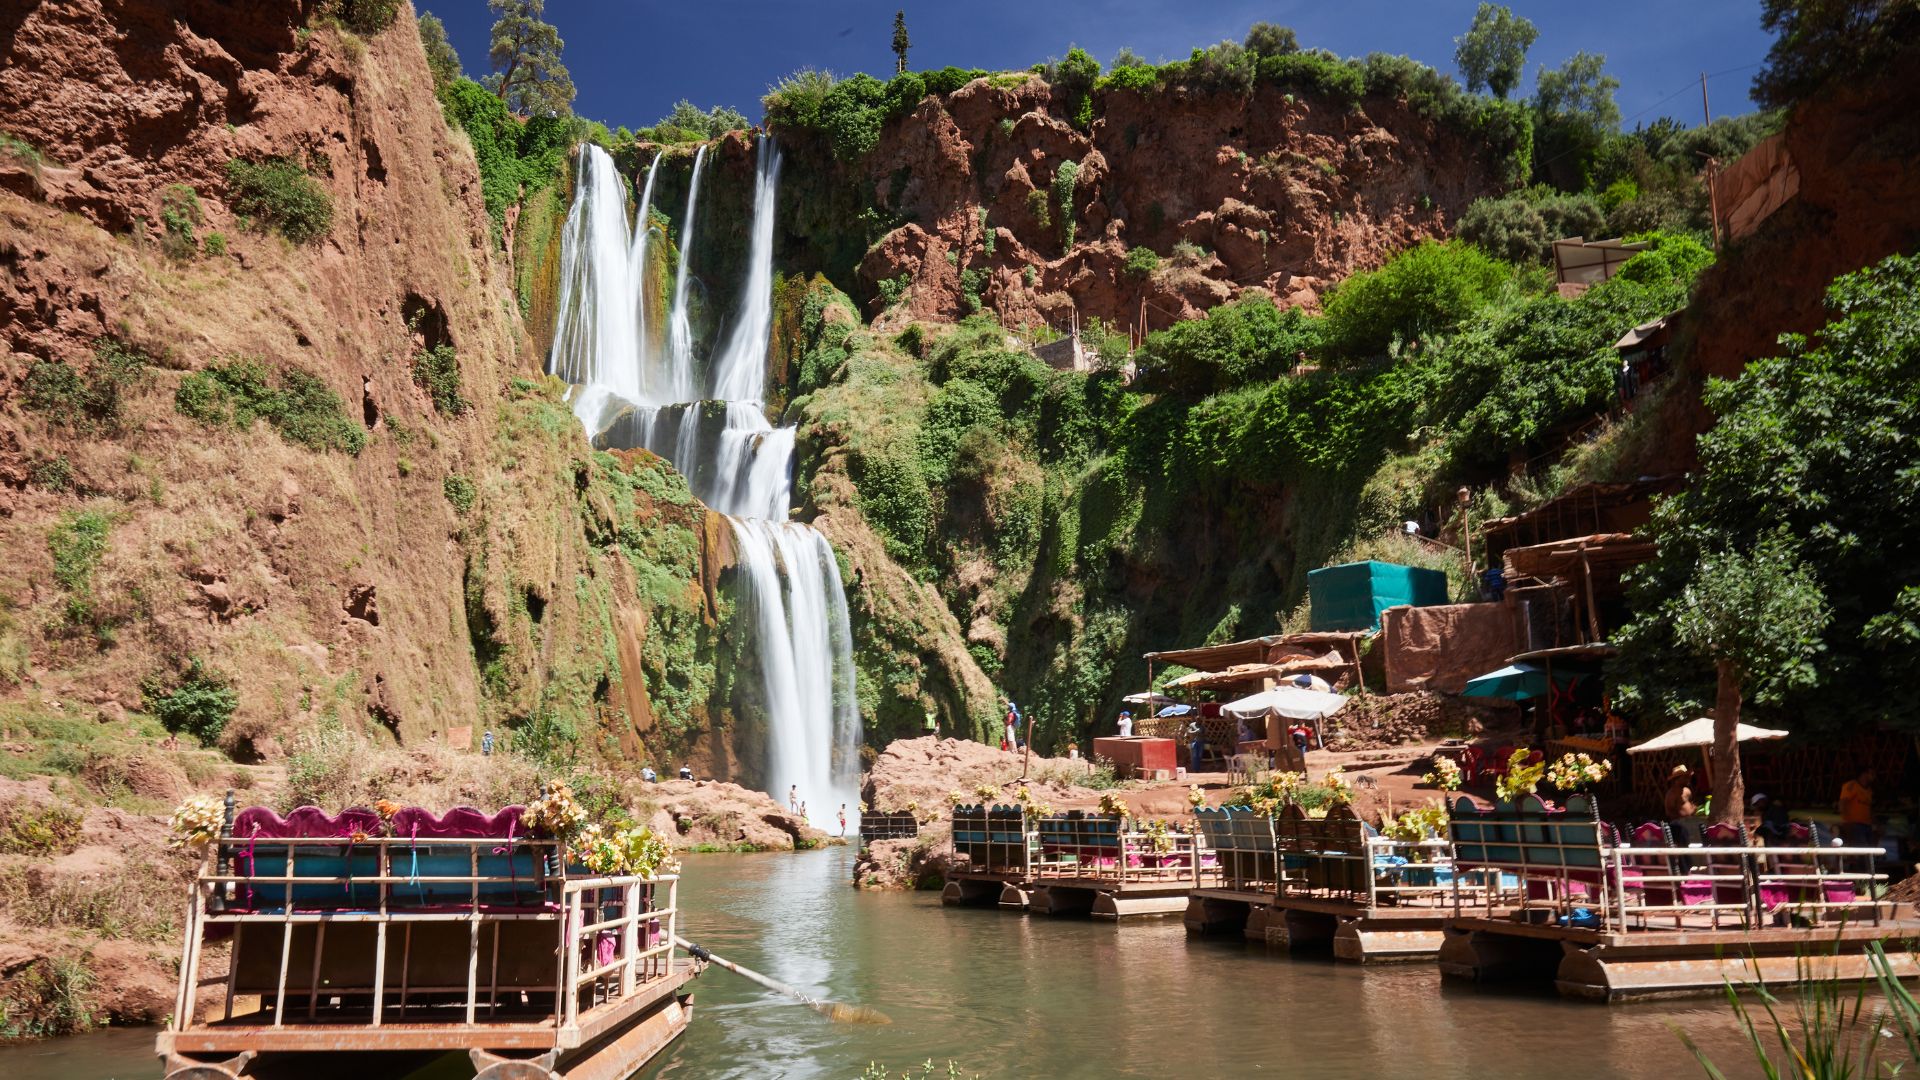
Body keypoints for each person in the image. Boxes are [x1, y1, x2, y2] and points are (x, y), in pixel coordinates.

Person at [1839, 768, 1876, 849]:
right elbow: (1843, 803)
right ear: (1864, 774)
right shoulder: (1851, 785)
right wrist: (1846, 822)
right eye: (1872, 773)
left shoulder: (1869, 790)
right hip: (1854, 824)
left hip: (1867, 824)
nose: (1874, 776)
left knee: (1870, 850)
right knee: (1862, 849)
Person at [1664, 765, 1698, 846]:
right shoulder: (1671, 794)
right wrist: (1682, 819)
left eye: (1688, 777)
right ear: (1676, 780)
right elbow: (1669, 812)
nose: (1688, 779)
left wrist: (1693, 809)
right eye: (1685, 777)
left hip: (1689, 822)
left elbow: (1690, 805)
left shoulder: (1687, 791)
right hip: (1679, 826)